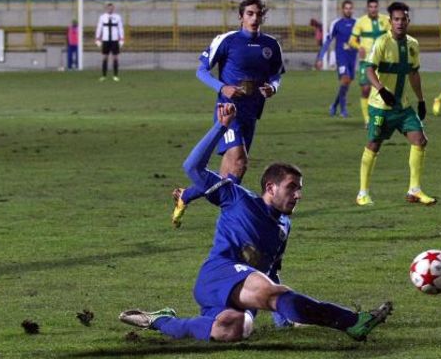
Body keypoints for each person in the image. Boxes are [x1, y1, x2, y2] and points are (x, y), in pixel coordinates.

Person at [121, 103, 392, 342]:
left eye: (300, 188)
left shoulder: (284, 227)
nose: (298, 194)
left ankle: (160, 321)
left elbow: (271, 270)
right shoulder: (236, 197)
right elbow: (192, 168)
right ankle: (352, 321)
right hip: (218, 274)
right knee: (271, 294)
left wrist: (281, 318)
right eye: (291, 187)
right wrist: (220, 126)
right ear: (271, 187)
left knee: (231, 329)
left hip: (247, 293)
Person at [171, 0, 284, 229]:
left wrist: (272, 87)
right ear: (241, 16)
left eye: (258, 14)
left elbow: (276, 75)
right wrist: (223, 88)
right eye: (250, 13)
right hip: (228, 112)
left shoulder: (271, 45)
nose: (254, 18)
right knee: (241, 162)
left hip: (252, 112)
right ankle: (230, 218)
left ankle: (187, 195)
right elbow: (201, 71)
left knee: (231, 176)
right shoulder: (226, 40)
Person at [356, 2, 436, 207]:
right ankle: (362, 193)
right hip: (380, 106)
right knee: (374, 145)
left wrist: (421, 100)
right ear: (390, 22)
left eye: (404, 19)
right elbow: (368, 69)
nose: (400, 23)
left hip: (402, 106)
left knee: (420, 140)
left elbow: (414, 73)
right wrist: (381, 90)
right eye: (396, 19)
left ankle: (414, 190)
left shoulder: (413, 44)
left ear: (408, 21)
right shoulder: (381, 42)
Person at [348, 0, 390, 127]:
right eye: (370, 7)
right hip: (366, 61)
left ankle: (379, 119)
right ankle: (367, 120)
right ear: (367, 8)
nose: (373, 9)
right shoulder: (361, 22)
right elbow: (352, 40)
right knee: (365, 89)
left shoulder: (386, 20)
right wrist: (358, 47)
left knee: (381, 91)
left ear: (378, 7)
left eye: (375, 7)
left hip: (382, 61)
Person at [318, 0, 357, 117]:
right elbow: (328, 40)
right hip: (341, 57)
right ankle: (343, 110)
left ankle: (334, 105)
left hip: (352, 58)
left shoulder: (358, 23)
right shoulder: (336, 23)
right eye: (346, 8)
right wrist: (321, 57)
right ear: (342, 9)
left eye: (350, 8)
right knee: (345, 79)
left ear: (352, 9)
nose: (348, 10)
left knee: (346, 84)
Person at [95, 3, 124, 81]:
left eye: (112, 8)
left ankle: (115, 75)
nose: (110, 9)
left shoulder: (117, 17)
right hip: (105, 40)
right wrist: (97, 38)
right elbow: (99, 28)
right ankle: (104, 76)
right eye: (109, 8)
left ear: (114, 8)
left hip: (114, 40)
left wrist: (121, 38)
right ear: (106, 8)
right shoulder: (102, 17)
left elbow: (120, 28)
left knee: (115, 57)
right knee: (105, 57)